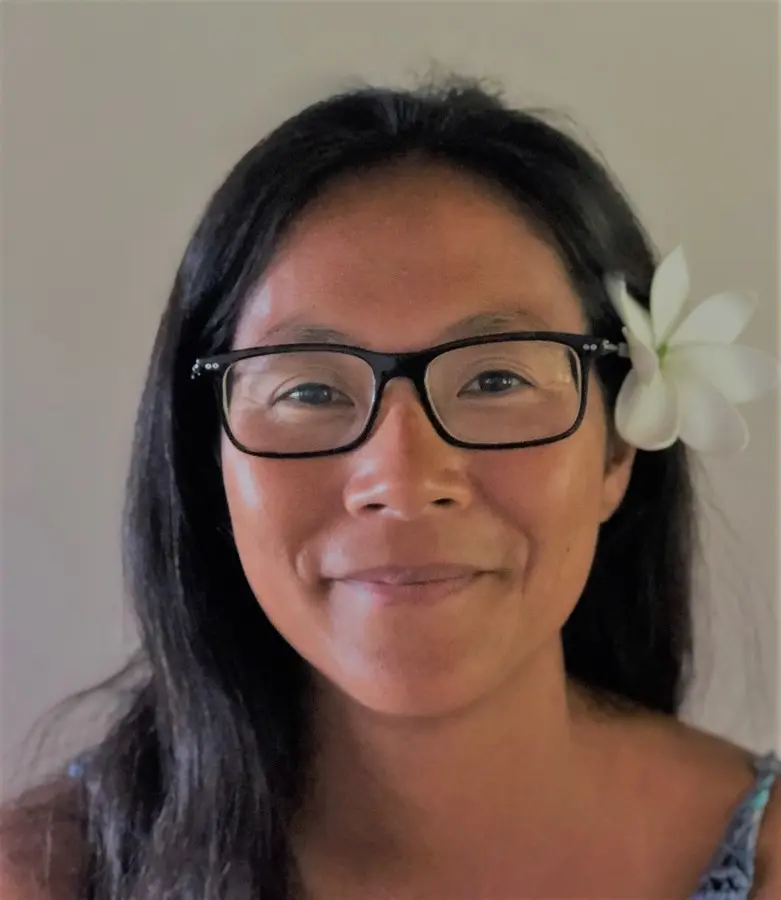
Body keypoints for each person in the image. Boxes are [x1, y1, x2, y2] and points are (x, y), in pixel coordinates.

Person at [1, 78, 779, 900]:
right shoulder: (47, 878)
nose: (404, 482)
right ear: (210, 461)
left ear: (617, 451)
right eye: (309, 390)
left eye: (494, 380)